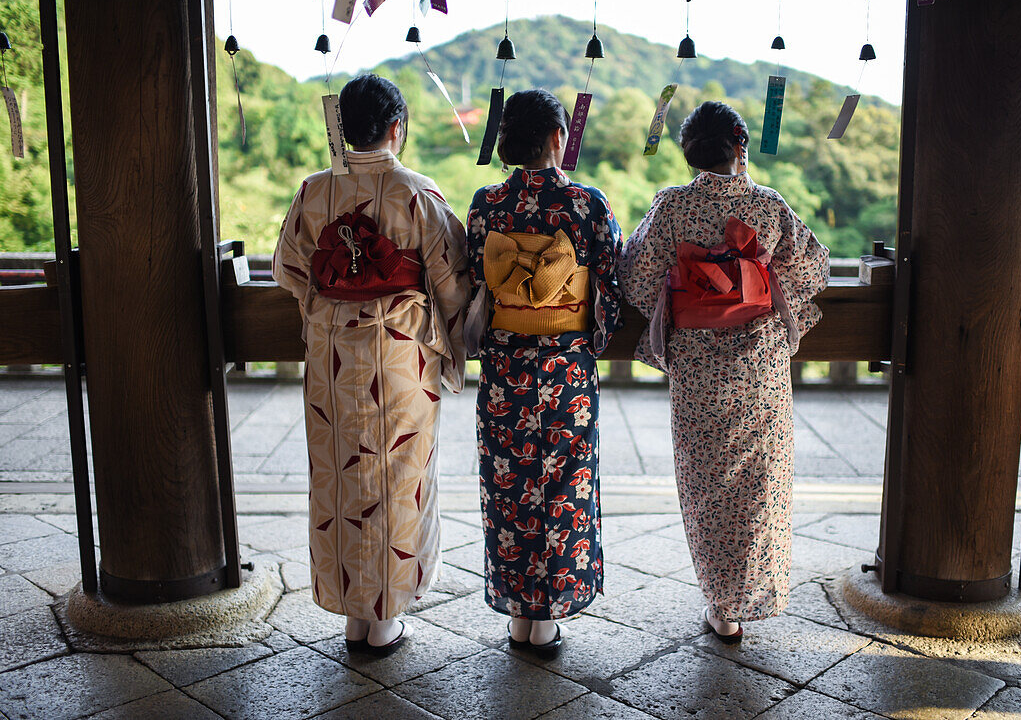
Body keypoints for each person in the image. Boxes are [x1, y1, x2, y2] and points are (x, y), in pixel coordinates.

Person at [617, 101, 829, 643]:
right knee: (760, 483)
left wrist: (691, 293)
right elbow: (813, 267)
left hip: (697, 369)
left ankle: (721, 604)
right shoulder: (767, 204)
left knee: (706, 483)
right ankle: (749, 595)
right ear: (741, 146)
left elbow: (637, 283)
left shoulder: (669, 208)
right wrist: (758, 289)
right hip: (758, 366)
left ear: (689, 153)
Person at [273, 74, 469, 654]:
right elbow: (453, 285)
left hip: (333, 358)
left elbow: (288, 268)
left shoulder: (314, 192)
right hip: (400, 356)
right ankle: (382, 620)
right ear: (395, 128)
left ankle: (352, 614)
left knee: (340, 478)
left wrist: (330, 303)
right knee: (395, 476)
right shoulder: (417, 192)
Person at [465, 89, 622, 656]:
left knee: (508, 487)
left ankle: (517, 613)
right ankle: (548, 615)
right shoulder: (586, 204)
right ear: (558, 137)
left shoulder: (485, 206)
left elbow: (471, 280)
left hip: (507, 364)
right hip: (565, 369)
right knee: (563, 486)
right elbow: (611, 285)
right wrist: (589, 333)